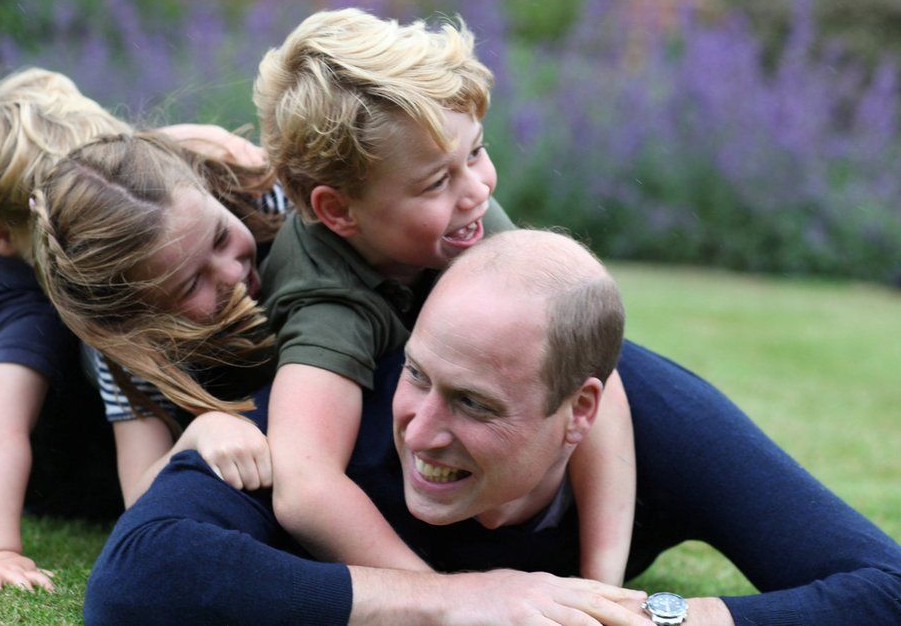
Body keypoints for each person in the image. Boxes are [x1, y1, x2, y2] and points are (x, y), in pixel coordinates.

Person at [81, 230, 901, 625]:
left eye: (474, 404)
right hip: (73, 412)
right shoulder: (335, 414)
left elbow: (883, 586)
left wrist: (653, 619)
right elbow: (135, 579)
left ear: (581, 410)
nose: (422, 430)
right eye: (420, 375)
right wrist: (451, 602)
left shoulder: (658, 418)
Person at [253, 7, 635, 583]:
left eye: (477, 151)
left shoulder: (461, 210)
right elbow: (305, 487)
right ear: (338, 210)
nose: (477, 189)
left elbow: (595, 374)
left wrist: (602, 585)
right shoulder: (326, 297)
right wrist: (446, 602)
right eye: (437, 182)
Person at [0, 67, 131, 592]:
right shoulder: (30, 315)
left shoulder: (17, 237)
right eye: (72, 211)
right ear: (1, 234)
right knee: (3, 386)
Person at [31, 131, 284, 506]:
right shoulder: (130, 348)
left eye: (219, 237)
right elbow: (138, 493)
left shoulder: (271, 200)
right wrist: (201, 431)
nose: (232, 273)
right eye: (191, 283)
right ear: (136, 317)